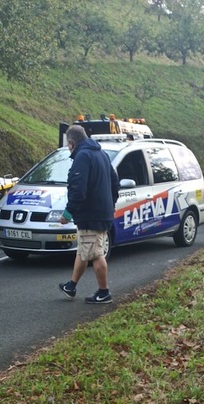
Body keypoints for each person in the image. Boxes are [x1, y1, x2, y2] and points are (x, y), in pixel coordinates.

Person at [58, 124, 119, 304]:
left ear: (71, 143)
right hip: (101, 212)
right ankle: (71, 285)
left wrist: (67, 214)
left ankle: (104, 292)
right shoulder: (102, 154)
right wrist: (110, 205)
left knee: (96, 254)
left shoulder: (82, 157)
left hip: (90, 215)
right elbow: (115, 183)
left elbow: (78, 190)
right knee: (84, 249)